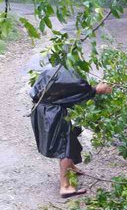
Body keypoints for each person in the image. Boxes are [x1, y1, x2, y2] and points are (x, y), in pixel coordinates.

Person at [30, 65, 112, 198]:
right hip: (52, 113)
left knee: (69, 138)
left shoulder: (55, 70)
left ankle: (71, 167)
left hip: (42, 109)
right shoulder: (66, 75)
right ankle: (66, 186)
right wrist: (95, 90)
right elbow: (77, 90)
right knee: (64, 145)